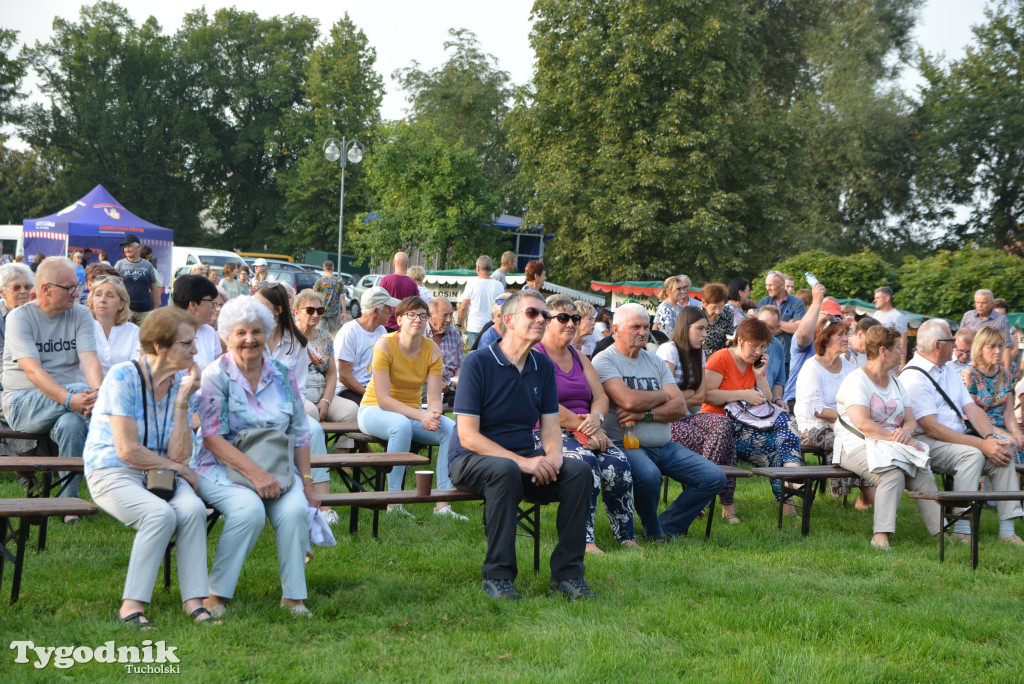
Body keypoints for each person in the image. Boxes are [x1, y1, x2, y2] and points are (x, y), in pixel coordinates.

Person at [449, 290, 594, 600]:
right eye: (533, 313)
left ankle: (568, 575)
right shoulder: (478, 363)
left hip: (524, 457)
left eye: (545, 314)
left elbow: (551, 428)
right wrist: (525, 463)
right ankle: (498, 577)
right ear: (508, 321)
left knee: (578, 471)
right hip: (472, 459)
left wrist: (553, 458)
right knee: (504, 469)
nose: (542, 319)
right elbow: (468, 436)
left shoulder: (542, 366)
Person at [83, 307, 213, 628]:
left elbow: (180, 455)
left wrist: (183, 400)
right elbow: (126, 450)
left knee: (193, 510)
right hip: (111, 471)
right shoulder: (122, 377)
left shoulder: (181, 383)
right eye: (187, 343)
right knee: (160, 514)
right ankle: (131, 606)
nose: (195, 350)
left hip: (161, 472)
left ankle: (194, 601)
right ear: (160, 347)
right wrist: (177, 468)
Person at [194, 295, 319, 618]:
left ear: (267, 333)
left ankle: (293, 597)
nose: (249, 339)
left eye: (256, 331)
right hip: (220, 467)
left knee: (294, 511)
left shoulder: (282, 373)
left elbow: (300, 432)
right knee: (248, 510)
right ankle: (215, 595)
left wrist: (307, 481)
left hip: (276, 466)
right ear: (226, 337)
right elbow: (212, 439)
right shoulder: (215, 375)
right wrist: (256, 476)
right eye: (240, 333)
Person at [594, 303, 726, 541]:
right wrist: (663, 395)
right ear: (615, 329)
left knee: (713, 477)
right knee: (649, 475)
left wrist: (645, 414)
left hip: (664, 444)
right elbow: (628, 400)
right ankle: (654, 532)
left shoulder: (654, 361)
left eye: (646, 326)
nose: (643, 332)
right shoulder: (605, 361)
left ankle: (665, 525)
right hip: (624, 444)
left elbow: (679, 406)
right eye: (636, 327)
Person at [900, 319, 1023, 545]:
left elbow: (972, 409)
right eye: (951, 340)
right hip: (924, 441)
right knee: (972, 455)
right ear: (939, 345)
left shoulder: (946, 370)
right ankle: (962, 529)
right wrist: (980, 445)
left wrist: (991, 439)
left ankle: (1007, 532)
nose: (956, 344)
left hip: (955, 438)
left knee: (1002, 454)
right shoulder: (913, 377)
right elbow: (931, 427)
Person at [535, 295, 637, 553]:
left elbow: (600, 396)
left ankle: (625, 535)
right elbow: (543, 405)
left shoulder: (579, 357)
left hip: (587, 427)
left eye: (575, 318)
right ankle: (584, 538)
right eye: (563, 318)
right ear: (546, 321)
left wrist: (597, 419)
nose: (571, 323)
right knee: (585, 464)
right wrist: (585, 428)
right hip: (546, 431)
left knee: (618, 463)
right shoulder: (534, 357)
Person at [3, 258, 102, 511]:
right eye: (69, 288)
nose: (77, 293)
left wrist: (99, 394)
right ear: (46, 288)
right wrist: (73, 399)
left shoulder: (80, 313)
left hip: (68, 403)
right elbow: (34, 372)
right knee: (81, 392)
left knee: (71, 423)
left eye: (77, 286)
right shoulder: (19, 318)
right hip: (22, 403)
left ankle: (67, 504)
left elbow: (90, 361)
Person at [834, 326, 939, 549]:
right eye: (898, 348)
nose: (902, 353)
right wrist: (896, 438)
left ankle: (940, 531)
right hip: (855, 445)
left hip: (891, 445)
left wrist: (907, 432)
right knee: (891, 473)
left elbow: (911, 420)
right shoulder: (857, 380)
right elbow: (863, 424)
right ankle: (880, 536)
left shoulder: (896, 382)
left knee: (922, 471)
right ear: (883, 350)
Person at [357, 296, 463, 519]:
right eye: (411, 315)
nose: (418, 319)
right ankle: (393, 502)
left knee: (451, 429)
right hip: (374, 409)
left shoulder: (431, 349)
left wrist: (433, 413)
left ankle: (442, 504)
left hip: (412, 413)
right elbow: (384, 399)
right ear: (399, 320)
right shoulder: (385, 344)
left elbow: (434, 397)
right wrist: (421, 415)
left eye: (422, 316)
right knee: (401, 425)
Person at [702, 317, 802, 508]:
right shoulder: (722, 358)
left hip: (749, 424)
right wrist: (742, 394)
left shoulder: (754, 363)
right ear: (740, 340)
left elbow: (768, 400)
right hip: (719, 424)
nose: (758, 352)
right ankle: (791, 488)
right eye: (754, 346)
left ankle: (791, 480)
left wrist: (759, 375)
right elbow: (706, 395)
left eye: (763, 347)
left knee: (785, 425)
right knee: (774, 449)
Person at [657, 306, 739, 521]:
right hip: (664, 422)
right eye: (700, 329)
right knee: (723, 442)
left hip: (685, 418)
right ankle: (719, 502)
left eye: (706, 329)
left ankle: (698, 496)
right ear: (685, 328)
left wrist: (681, 396)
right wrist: (685, 396)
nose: (705, 334)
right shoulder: (669, 350)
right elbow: (664, 396)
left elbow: (701, 395)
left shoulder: (699, 353)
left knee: (723, 424)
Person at [793, 315, 875, 506]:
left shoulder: (849, 367)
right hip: (811, 427)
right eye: (840, 334)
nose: (846, 338)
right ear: (826, 338)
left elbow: (856, 400)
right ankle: (869, 499)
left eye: (847, 334)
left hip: (843, 424)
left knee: (866, 441)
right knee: (842, 440)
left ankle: (865, 499)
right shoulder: (811, 367)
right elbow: (817, 410)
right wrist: (851, 419)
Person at [292, 288, 358, 521]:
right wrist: (316, 403)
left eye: (320, 310)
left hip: (322, 394)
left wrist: (327, 400)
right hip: (300, 398)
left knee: (352, 410)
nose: (316, 315)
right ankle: (319, 487)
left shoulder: (324, 338)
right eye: (310, 310)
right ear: (296, 312)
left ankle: (342, 462)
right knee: (312, 417)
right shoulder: (288, 337)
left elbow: (332, 375)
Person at [960, 326, 1024, 462]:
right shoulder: (969, 374)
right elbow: (968, 414)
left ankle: (1015, 483)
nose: (998, 351)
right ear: (979, 349)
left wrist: (1017, 432)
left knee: (1020, 444)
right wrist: (1003, 434)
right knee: (1009, 445)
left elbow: (1008, 412)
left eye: (1000, 346)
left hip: (1002, 429)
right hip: (978, 430)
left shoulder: (1005, 374)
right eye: (992, 347)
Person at [334, 287, 398, 403]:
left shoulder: (381, 330)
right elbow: (344, 376)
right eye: (388, 307)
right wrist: (372, 395)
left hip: (374, 388)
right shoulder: (350, 331)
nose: (391, 312)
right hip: (348, 390)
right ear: (375, 311)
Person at [782, 285, 831, 408]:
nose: (831, 323)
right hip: (798, 400)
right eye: (826, 318)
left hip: (825, 403)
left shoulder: (843, 351)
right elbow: (804, 335)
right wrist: (817, 301)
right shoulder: (805, 341)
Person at [87, 274, 141, 376]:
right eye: (98, 295)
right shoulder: (82, 328)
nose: (102, 300)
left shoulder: (133, 331)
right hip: (85, 390)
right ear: (92, 300)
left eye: (109, 295)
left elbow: (134, 369)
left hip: (122, 389)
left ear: (121, 304)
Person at [757, 271, 805, 374]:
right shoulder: (763, 302)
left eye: (770, 285)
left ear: (782, 284)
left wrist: (773, 323)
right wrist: (789, 325)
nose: (767, 288)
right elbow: (762, 331)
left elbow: (799, 329)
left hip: (790, 358)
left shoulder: (797, 302)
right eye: (766, 285)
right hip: (766, 357)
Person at [171, 275, 222, 371]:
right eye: (211, 301)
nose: (214, 307)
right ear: (193, 305)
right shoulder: (165, 332)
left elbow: (218, 373)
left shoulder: (210, 332)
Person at [457, 256, 505, 349]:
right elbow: (502, 307)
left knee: (476, 357)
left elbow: (463, 307)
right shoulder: (499, 285)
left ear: (477, 268)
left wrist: (459, 324)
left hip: (475, 327)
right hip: (493, 327)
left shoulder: (472, 284)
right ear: (491, 268)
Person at [961, 289, 1015, 370]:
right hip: (968, 363)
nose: (980, 305)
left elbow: (1006, 346)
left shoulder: (1001, 320)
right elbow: (959, 340)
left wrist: (1006, 372)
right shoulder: (968, 316)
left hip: (991, 366)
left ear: (992, 303)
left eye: (983, 303)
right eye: (977, 302)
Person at [115, 236, 161, 325]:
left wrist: (156, 306)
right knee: (126, 337)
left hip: (144, 311)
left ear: (138, 247)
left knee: (143, 337)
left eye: (129, 246)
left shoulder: (148, 265)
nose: (126, 249)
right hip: (125, 310)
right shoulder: (119, 265)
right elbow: (113, 285)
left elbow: (154, 288)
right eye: (125, 247)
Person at [426, 297, 463, 404]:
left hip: (451, 388)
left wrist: (457, 380)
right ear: (430, 315)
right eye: (445, 315)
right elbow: (415, 368)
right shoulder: (420, 333)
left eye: (451, 315)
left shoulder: (454, 333)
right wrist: (436, 382)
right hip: (426, 386)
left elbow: (460, 365)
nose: (449, 319)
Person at [756, 306, 789, 409]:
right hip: (745, 402)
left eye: (770, 328)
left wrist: (778, 399)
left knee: (789, 422)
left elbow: (779, 379)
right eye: (762, 324)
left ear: (776, 328)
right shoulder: (745, 344)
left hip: (767, 403)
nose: (765, 330)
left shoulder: (778, 346)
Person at [380, 252, 420, 332]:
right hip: (404, 324)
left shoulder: (385, 280)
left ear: (393, 262)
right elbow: (417, 305)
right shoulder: (412, 283)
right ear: (407, 264)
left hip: (386, 323)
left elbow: (379, 301)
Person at [872, 287, 908, 367]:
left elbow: (903, 341)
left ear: (887, 298)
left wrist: (902, 363)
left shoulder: (898, 316)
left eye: (877, 298)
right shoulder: (875, 315)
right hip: (876, 358)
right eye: (875, 298)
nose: (875, 300)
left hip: (890, 359)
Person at [312, 259, 347, 335]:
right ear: (333, 268)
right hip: (333, 311)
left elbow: (313, 295)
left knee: (319, 332)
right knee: (333, 331)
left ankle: (320, 346)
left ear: (324, 268)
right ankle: (333, 346)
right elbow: (342, 296)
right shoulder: (338, 281)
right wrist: (344, 312)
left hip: (321, 310)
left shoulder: (319, 281)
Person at [700, 283, 734, 357]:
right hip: (698, 357)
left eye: (721, 306)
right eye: (713, 308)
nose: (718, 311)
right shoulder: (695, 315)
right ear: (704, 303)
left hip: (719, 357)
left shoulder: (728, 313)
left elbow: (728, 338)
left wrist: (730, 342)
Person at [992, 298, 1020, 377]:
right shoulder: (988, 331)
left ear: (1006, 314)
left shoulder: (1011, 329)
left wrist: (1002, 361)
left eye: (1002, 314)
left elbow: (1015, 350)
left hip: (1007, 368)